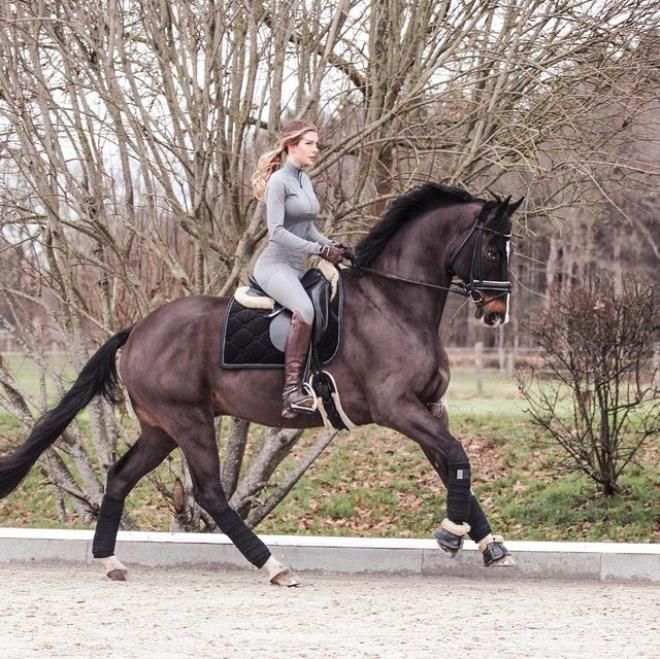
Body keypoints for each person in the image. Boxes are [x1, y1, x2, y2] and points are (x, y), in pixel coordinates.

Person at [251, 119, 352, 419]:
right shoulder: (279, 182)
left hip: (298, 267)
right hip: (275, 266)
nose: (316, 149)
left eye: (317, 143)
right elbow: (277, 231)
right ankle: (291, 391)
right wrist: (320, 250)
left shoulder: (304, 180)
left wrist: (335, 246)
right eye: (310, 143)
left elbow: (308, 229)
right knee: (305, 310)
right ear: (292, 145)